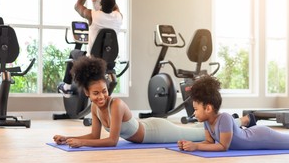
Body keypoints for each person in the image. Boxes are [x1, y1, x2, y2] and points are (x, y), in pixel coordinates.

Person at [53, 56, 254, 147]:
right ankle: (238, 121)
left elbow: (112, 141)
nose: (101, 96)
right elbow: (94, 135)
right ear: (87, 93)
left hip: (157, 132)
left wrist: (81, 143)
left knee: (201, 132)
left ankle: (242, 121)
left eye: (104, 91)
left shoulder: (116, 105)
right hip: (146, 127)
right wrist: (68, 138)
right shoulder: (96, 109)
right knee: (204, 131)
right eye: (95, 93)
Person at [178, 75, 289, 152]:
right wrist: (189, 144)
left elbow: (223, 147)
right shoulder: (208, 122)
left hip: (261, 137)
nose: (194, 113)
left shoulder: (223, 118)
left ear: (208, 108)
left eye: (196, 109)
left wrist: (196, 147)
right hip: (256, 135)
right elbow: (209, 142)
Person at [57, 0, 123, 97]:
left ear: (101, 4)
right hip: (109, 62)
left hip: (91, 61)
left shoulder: (93, 15)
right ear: (113, 5)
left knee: (73, 53)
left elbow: (77, 6)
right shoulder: (119, 16)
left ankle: (66, 88)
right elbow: (114, 6)